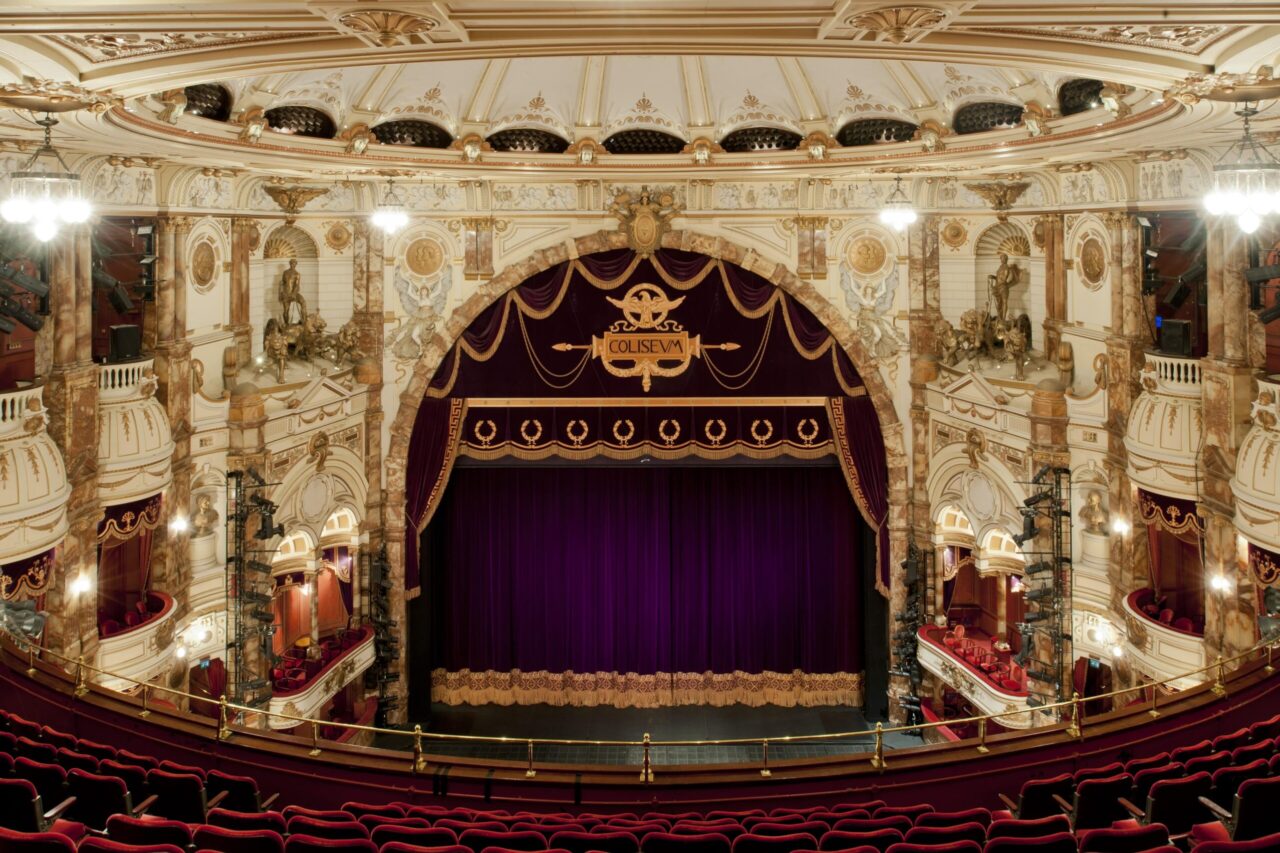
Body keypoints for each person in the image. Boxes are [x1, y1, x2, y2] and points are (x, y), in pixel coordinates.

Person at [279, 258, 307, 326]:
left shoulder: (297, 274)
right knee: (286, 310)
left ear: (296, 265)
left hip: (293, 293)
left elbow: (297, 285)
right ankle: (286, 324)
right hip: (286, 293)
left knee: (303, 302)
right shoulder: (285, 272)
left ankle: (304, 320)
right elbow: (282, 283)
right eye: (291, 263)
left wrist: (294, 294)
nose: (293, 265)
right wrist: (280, 293)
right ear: (290, 264)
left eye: (294, 264)